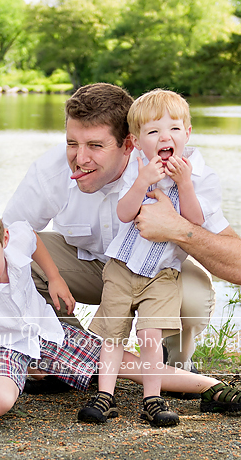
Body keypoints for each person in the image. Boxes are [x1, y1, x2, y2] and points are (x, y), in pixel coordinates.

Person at [0, 193, 241, 437]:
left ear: (3, 241)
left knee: (118, 361)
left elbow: (33, 239)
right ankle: (4, 375)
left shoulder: (14, 236)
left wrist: (56, 277)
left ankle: (212, 388)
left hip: (42, 331)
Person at [2, 83, 241, 374]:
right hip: (88, 270)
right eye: (72, 143)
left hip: (157, 275)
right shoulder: (51, 171)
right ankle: (70, 351)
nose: (80, 158)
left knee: (196, 295)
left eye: (95, 146)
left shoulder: (178, 171)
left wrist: (176, 228)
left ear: (129, 144)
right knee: (16, 256)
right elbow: (3, 238)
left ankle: (174, 361)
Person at [80, 89, 221, 427]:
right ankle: (105, 396)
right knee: (113, 334)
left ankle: (153, 399)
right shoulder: (136, 169)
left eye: (174, 128)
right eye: (153, 131)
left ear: (187, 133)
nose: (164, 137)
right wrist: (142, 180)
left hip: (162, 274)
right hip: (123, 267)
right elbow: (124, 213)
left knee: (150, 337)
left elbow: (195, 221)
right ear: (137, 140)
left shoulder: (200, 177)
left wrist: (183, 184)